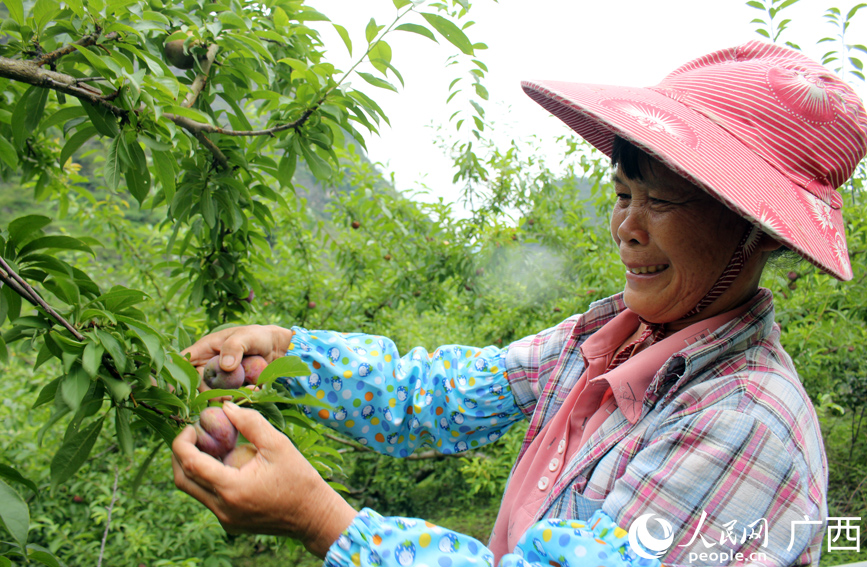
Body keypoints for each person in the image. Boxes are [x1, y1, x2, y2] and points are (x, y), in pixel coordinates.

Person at [171, 40, 867, 567]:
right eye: (624, 193)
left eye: (660, 199)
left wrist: (324, 519)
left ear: (754, 228)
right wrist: (289, 351)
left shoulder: (743, 425)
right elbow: (445, 392)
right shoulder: (608, 336)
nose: (626, 226)